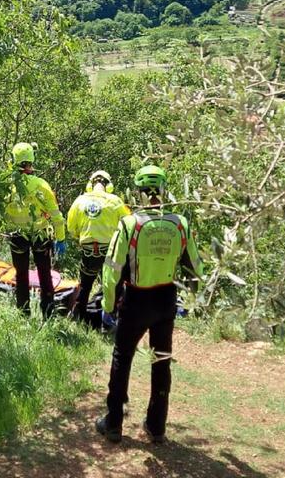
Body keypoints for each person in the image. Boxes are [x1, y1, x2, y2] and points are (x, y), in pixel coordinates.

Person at [95, 165, 201, 444]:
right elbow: (194, 267)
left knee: (122, 357)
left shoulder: (130, 223)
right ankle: (156, 427)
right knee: (161, 361)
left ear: (139, 192)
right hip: (166, 299)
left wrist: (108, 304)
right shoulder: (180, 222)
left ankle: (114, 423)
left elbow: (112, 269)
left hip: (136, 299)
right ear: (163, 190)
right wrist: (191, 298)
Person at [3, 142, 65, 317]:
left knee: (21, 275)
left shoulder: (7, 185)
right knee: (45, 275)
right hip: (41, 235)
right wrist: (61, 238)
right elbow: (56, 216)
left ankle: (23, 314)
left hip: (17, 236)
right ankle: (48, 314)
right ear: (31, 160)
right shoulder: (41, 184)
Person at [66, 169, 130, 322]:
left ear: (90, 184)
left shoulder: (80, 201)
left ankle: (79, 320)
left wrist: (79, 237)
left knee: (85, 285)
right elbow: (129, 224)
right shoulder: (115, 201)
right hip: (110, 251)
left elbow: (71, 227)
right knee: (113, 285)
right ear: (109, 185)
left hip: (88, 251)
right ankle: (109, 320)